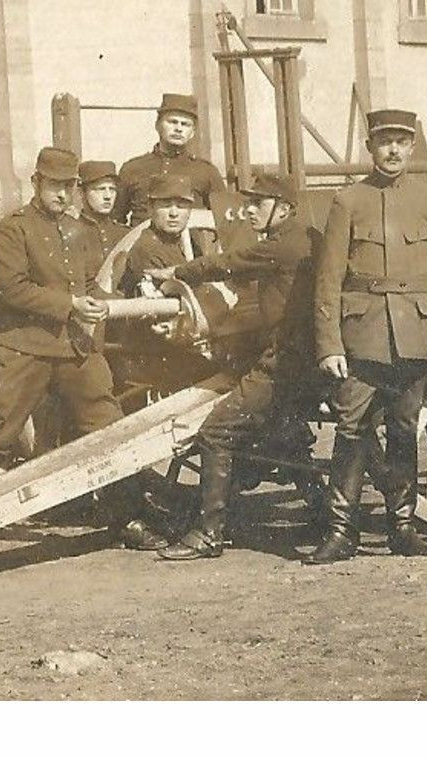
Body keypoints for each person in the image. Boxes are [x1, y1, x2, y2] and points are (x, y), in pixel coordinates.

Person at [0, 148, 159, 543]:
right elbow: (14, 289)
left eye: (68, 187)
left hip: (74, 348)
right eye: (54, 186)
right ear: (36, 184)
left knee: (108, 427)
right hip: (26, 348)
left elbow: (90, 284)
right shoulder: (12, 230)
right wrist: (70, 305)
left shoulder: (78, 231)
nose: (61, 195)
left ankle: (128, 520)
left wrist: (105, 307)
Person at [308, 109, 427, 564]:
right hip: (362, 337)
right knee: (352, 430)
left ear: (412, 146)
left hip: (415, 335)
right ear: (370, 148)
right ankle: (341, 531)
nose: (393, 150)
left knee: (403, 430)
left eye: (401, 141)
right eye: (383, 142)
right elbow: (328, 279)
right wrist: (329, 344)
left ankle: (402, 526)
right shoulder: (348, 201)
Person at [156, 170, 322, 560]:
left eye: (258, 204)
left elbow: (231, 262)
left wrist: (178, 272)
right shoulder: (307, 238)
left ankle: (209, 534)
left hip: (285, 365)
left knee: (216, 432)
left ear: (283, 210)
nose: (248, 211)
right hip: (307, 361)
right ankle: (321, 511)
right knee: (288, 434)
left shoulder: (282, 247)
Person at [113, 92, 228, 226]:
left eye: (185, 124)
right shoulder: (133, 168)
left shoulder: (206, 172)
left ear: (193, 132)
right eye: (172, 122)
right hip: (143, 246)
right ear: (157, 125)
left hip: (188, 245)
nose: (178, 129)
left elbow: (227, 221)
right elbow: (115, 221)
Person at [118, 174, 195, 297]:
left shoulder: (190, 244)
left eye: (181, 206)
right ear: (150, 208)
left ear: (190, 211)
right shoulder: (146, 249)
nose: (174, 213)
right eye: (166, 206)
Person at [76, 159, 129, 273]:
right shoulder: (70, 232)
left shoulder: (125, 234)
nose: (108, 196)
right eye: (100, 189)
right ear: (81, 193)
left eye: (112, 189)